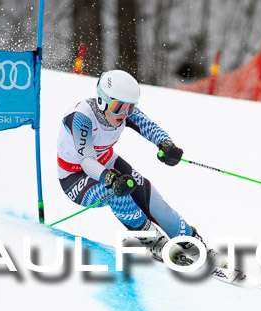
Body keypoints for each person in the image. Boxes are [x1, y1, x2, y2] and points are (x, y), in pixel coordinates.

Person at [56, 69, 203, 264]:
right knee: (119, 194)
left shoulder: (122, 113)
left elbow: (149, 127)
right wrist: (110, 178)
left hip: (108, 163)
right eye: (118, 107)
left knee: (153, 200)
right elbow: (87, 161)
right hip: (75, 177)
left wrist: (167, 146)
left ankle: (191, 241)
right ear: (102, 100)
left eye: (130, 108)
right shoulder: (81, 118)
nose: (124, 114)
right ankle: (151, 241)